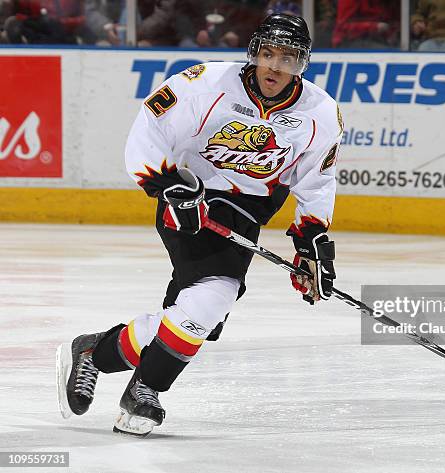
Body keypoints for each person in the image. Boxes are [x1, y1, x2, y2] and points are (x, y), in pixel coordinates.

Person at [56, 13, 342, 437]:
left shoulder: (320, 113)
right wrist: (167, 184)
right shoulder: (203, 83)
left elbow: (316, 180)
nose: (275, 68)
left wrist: (311, 239)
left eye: (288, 59)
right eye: (267, 55)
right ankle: (145, 390)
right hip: (192, 199)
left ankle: (95, 351)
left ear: (302, 63)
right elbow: (150, 128)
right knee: (216, 293)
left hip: (247, 211)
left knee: (198, 312)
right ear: (253, 53)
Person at [332, 0, 400, 48]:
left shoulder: (388, 2)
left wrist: (395, 30)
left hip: (379, 40)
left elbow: (392, 22)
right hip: (350, 43)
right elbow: (342, 27)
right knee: (390, 55)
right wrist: (374, 27)